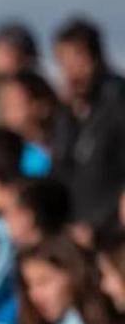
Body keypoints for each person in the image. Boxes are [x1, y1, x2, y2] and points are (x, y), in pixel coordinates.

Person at [51, 17, 125, 238]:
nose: (71, 71)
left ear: (97, 57)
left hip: (113, 234)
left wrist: (104, 226)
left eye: (78, 59)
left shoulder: (118, 104)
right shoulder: (66, 115)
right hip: (74, 233)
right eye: (63, 62)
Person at [0, 71, 59, 178]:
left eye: (14, 102)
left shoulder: (64, 148)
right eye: (5, 103)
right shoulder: (6, 157)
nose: (7, 110)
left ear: (41, 105)